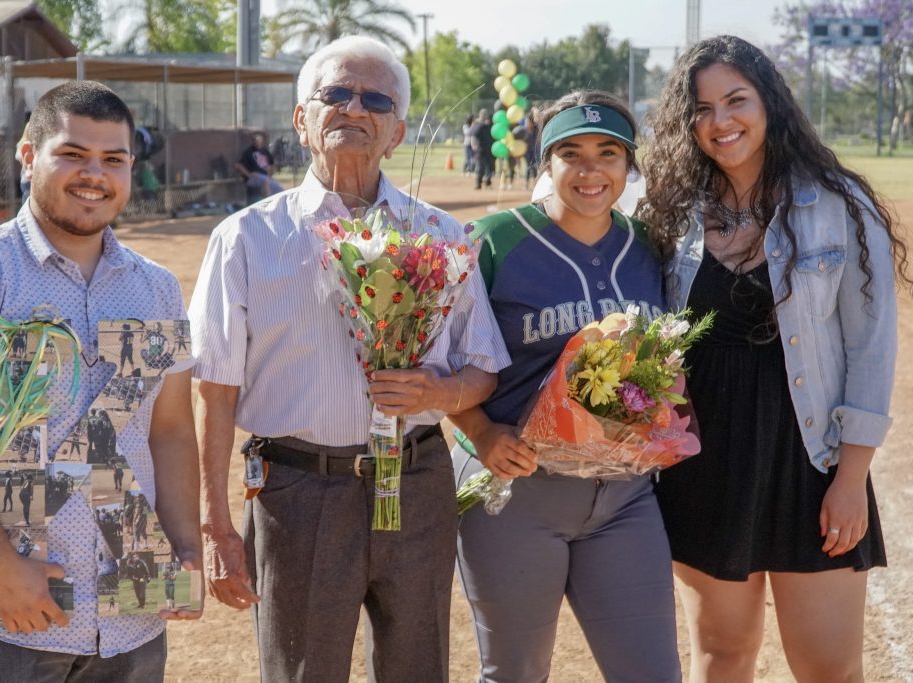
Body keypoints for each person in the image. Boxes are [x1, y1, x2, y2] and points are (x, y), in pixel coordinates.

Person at [189, 35, 509, 682]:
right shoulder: (245, 239)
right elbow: (214, 389)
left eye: (376, 100)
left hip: (417, 484)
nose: (354, 108)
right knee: (304, 672)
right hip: (297, 491)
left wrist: (436, 394)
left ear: (396, 133)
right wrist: (216, 524)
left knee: (419, 670)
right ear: (301, 119)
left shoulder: (443, 236)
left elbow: (483, 369)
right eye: (335, 93)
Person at [0, 80, 203, 683]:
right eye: (72, 154)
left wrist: (185, 548)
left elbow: (169, 430)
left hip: (130, 617)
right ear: (27, 155)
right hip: (4, 615)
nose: (94, 174)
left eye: (113, 159)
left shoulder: (157, 288)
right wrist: (0, 566)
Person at [640, 35, 907, 683]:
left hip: (810, 462)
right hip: (704, 464)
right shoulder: (670, 213)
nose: (721, 121)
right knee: (721, 656)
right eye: (702, 109)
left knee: (829, 668)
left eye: (736, 100)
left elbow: (870, 348)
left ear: (770, 103)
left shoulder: (838, 205)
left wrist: (851, 478)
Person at [451, 91, 681, 683]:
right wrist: (479, 430)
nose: (589, 170)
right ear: (546, 163)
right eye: (570, 153)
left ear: (628, 165)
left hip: (624, 498)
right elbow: (444, 357)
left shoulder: (649, 247)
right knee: (515, 673)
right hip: (515, 493)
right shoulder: (494, 241)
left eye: (608, 153)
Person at [235, 132, 284, 201]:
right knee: (265, 182)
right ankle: (267, 202)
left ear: (262, 141)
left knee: (279, 188)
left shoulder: (265, 151)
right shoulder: (248, 152)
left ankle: (275, 202)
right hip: (253, 178)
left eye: (258, 140)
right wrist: (249, 175)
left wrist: (270, 176)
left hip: (264, 177)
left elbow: (272, 164)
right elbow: (238, 165)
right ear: (252, 141)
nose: (257, 142)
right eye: (255, 140)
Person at [470, 108, 495, 190]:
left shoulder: (490, 126)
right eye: (483, 115)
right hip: (481, 150)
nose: (484, 116)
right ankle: (479, 183)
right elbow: (473, 135)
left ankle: (487, 183)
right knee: (481, 167)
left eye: (485, 115)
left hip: (490, 149)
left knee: (489, 167)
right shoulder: (478, 125)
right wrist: (474, 145)